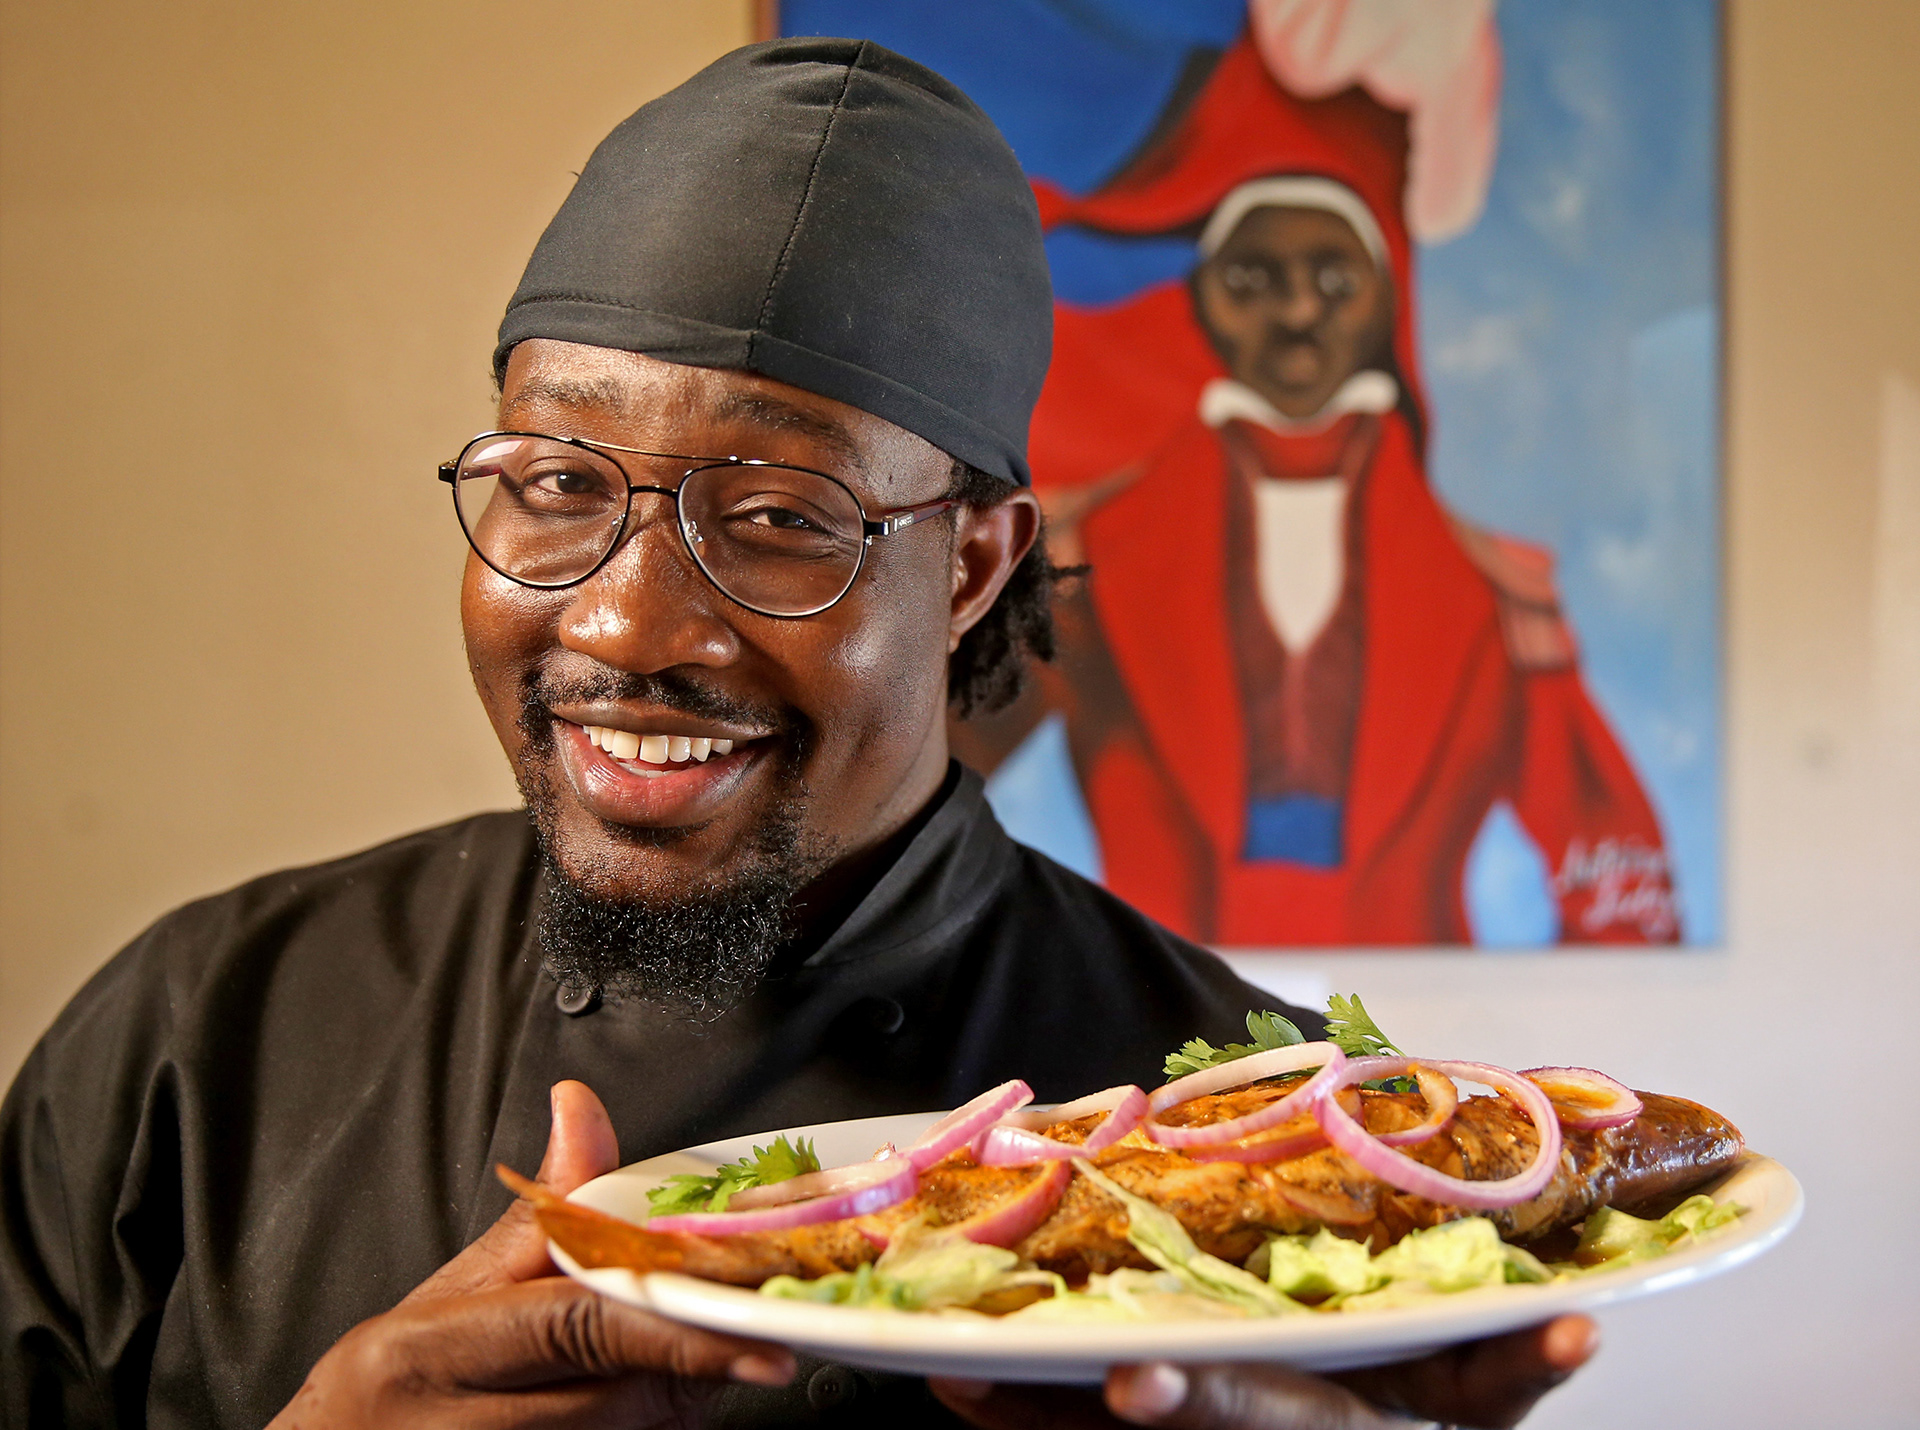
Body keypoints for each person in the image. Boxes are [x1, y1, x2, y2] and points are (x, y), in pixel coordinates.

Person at [0, 38, 1596, 1429]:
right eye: (556, 484)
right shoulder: (199, 1035)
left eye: (776, 516)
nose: (623, 624)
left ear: (972, 566)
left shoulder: (1264, 1122)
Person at [955, 34, 1680, 945]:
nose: (1298, 312)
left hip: (1412, 1029)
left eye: (1334, 278)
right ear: (1204, 299)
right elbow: (929, 776)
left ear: (1384, 301)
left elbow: (1613, 869)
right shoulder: (1083, 559)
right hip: (1157, 1018)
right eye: (1254, 278)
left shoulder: (1499, 593)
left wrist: (1585, 1030)